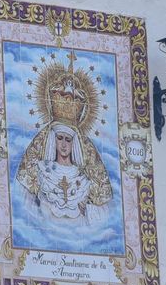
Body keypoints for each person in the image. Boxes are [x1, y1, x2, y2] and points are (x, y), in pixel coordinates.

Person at [14, 70, 113, 224]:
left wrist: (86, 209)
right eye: (60, 138)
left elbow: (102, 213)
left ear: (75, 143)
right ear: (53, 140)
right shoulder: (40, 170)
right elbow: (26, 206)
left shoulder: (83, 177)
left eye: (68, 139)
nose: (64, 144)